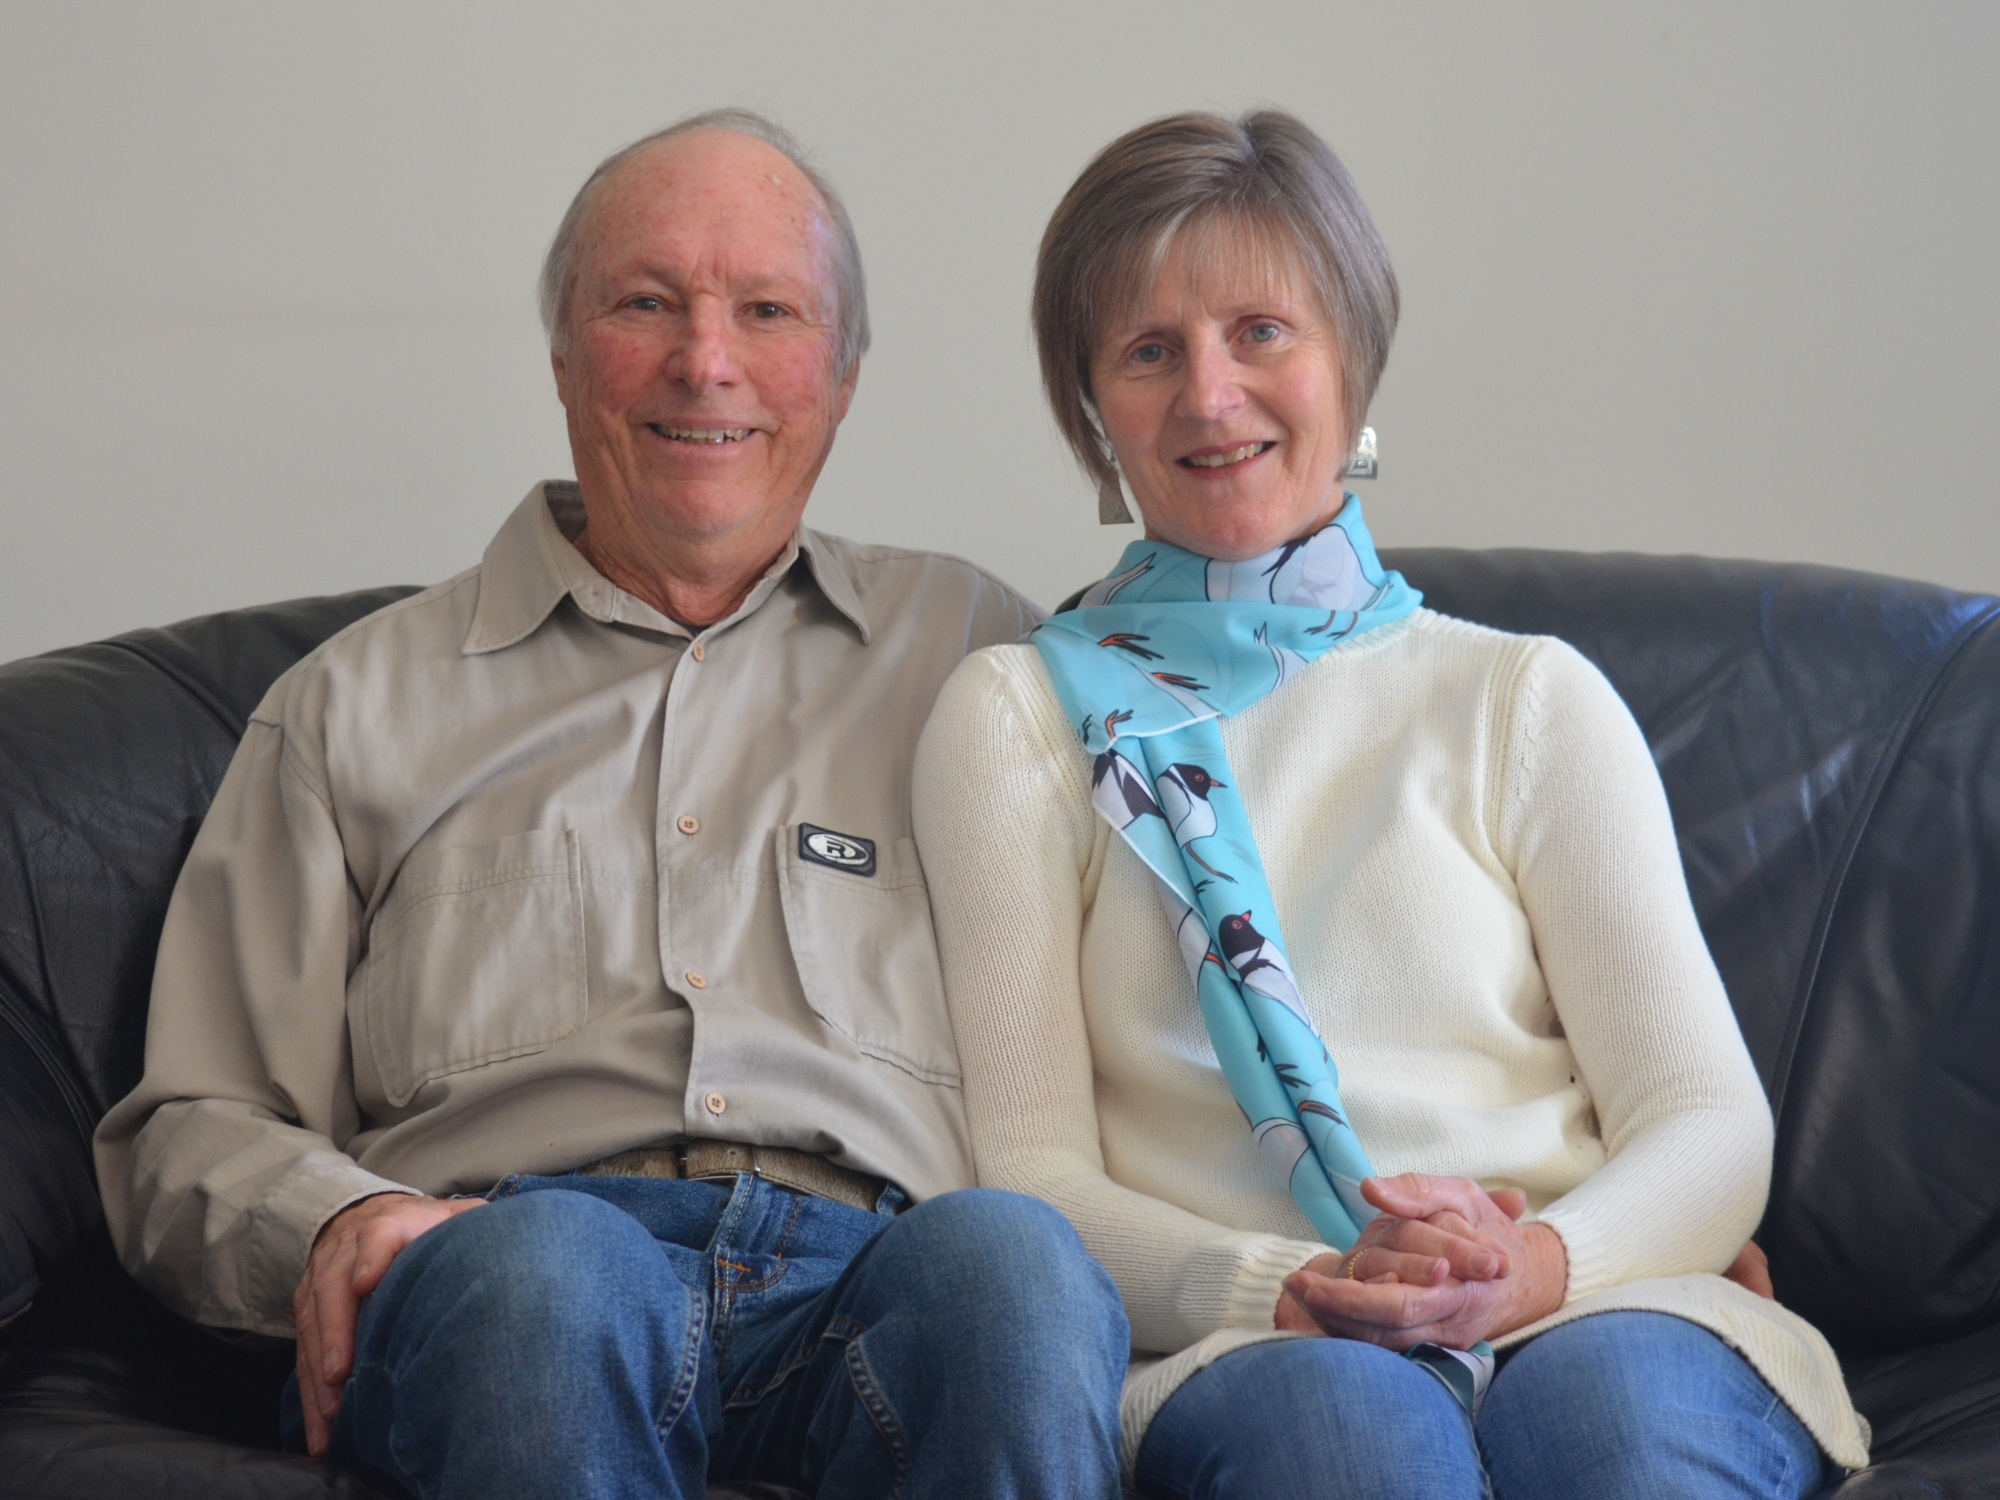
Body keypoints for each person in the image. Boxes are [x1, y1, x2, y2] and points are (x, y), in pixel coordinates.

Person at [94, 109, 1128, 1500]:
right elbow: (190, 1130)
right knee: (551, 1273)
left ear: (842, 374)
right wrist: (360, 1217)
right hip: (511, 1270)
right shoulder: (353, 703)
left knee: (1013, 1266)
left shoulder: (980, 658)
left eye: (766, 310)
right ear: (566, 356)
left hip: (884, 1277)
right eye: (647, 304)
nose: (707, 362)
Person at [913, 109, 1870, 1499]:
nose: (1208, 393)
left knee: (1614, 1438)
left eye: (1261, 331)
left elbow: (1705, 1119)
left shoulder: (1524, 697)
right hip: (1259, 1335)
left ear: (1352, 362)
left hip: (1592, 1298)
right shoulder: (1012, 720)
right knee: (1350, 1443)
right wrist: (1296, 1282)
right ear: (1092, 411)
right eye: (1147, 351)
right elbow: (1032, 1173)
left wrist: (1533, 1267)